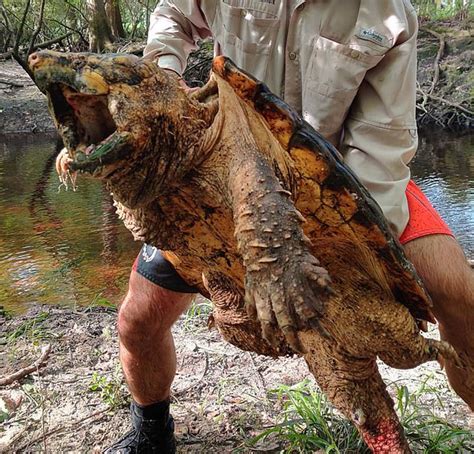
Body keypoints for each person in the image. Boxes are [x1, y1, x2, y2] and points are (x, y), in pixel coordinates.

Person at [106, 1, 474, 452]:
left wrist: (347, 252)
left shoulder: (386, 12)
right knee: (137, 321)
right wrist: (165, 75)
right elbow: (173, 16)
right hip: (221, 166)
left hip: (343, 176)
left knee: (460, 298)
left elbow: (382, 143)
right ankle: (151, 431)